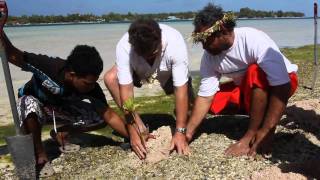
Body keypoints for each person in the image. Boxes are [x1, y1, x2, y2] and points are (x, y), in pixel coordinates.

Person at [0, 32, 129, 177]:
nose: (92, 87)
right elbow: (11, 54)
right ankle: (39, 155)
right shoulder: (49, 67)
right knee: (26, 102)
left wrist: (133, 136)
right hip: (34, 111)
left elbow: (110, 116)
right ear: (72, 74)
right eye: (87, 83)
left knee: (99, 117)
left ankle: (61, 134)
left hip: (60, 110)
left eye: (94, 82)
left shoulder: (92, 88)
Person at [183, 3, 298, 156]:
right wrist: (187, 134)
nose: (203, 47)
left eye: (206, 39)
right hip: (248, 87)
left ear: (222, 31)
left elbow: (282, 84)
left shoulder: (252, 39)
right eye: (200, 40)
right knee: (211, 104)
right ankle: (257, 111)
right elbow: (205, 96)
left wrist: (267, 130)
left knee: (254, 71)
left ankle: (251, 132)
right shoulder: (209, 57)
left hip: (284, 81)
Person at [104, 18, 193, 159]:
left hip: (167, 72)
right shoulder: (124, 46)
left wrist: (180, 131)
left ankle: (181, 118)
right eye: (143, 55)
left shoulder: (175, 41)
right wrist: (132, 127)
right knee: (110, 78)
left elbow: (180, 89)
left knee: (189, 114)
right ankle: (140, 126)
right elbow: (126, 92)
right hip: (139, 72)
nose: (148, 58)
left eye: (152, 54)